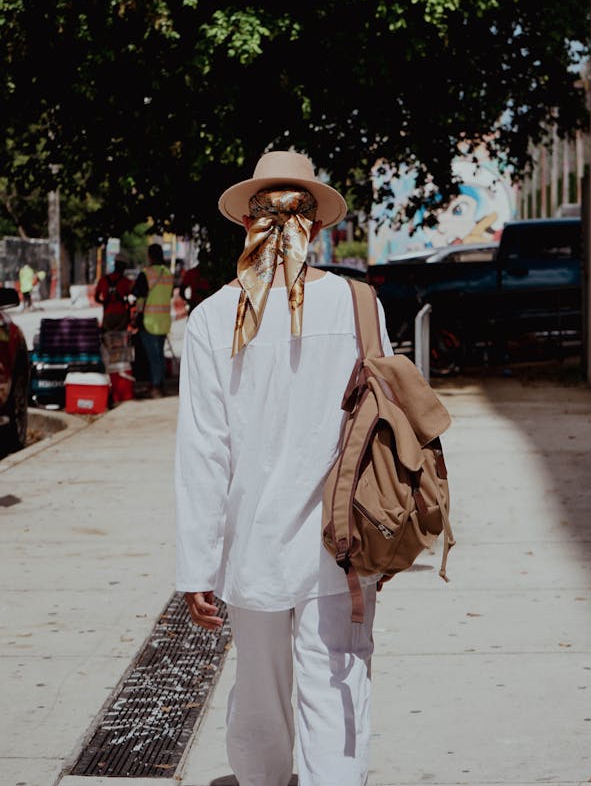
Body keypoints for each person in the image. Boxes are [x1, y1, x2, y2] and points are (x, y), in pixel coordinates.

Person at [174, 150, 393, 786]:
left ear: (247, 222)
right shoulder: (359, 305)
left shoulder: (214, 317)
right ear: (317, 226)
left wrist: (197, 565)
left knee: (259, 697)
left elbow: (203, 450)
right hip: (343, 540)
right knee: (337, 683)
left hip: (252, 548)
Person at [132, 243, 174, 398]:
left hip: (149, 320)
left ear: (149, 256)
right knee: (159, 355)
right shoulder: (168, 273)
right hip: (163, 321)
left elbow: (137, 292)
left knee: (153, 356)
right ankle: (158, 384)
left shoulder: (146, 273)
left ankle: (156, 387)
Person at [94, 257, 132, 332]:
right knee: (121, 336)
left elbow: (96, 298)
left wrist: (105, 302)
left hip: (107, 313)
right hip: (121, 314)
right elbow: (133, 294)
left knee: (108, 336)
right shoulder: (126, 281)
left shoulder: (103, 280)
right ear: (123, 268)